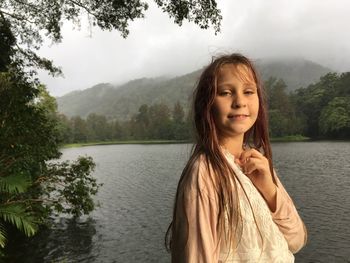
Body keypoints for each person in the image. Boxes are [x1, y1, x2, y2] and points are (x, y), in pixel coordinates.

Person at [165, 53, 307, 262]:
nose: (240, 101)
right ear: (207, 104)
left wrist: (269, 190)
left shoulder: (257, 162)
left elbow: (296, 240)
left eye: (249, 91)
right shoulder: (204, 173)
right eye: (225, 92)